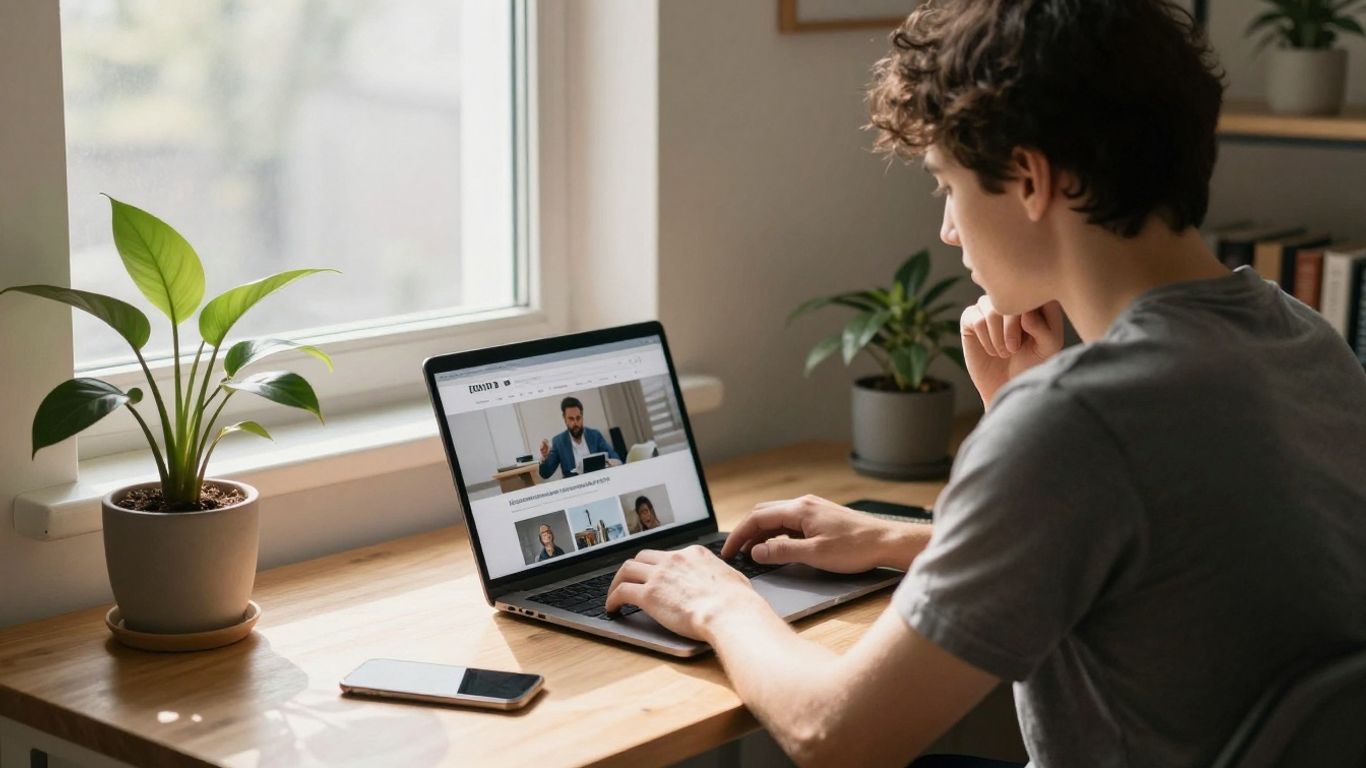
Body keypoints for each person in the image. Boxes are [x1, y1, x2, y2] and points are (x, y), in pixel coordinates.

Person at [604, 1, 1366, 766]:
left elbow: (835, 735)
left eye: (947, 183)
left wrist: (719, 602)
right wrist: (897, 539)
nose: (946, 228)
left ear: (1031, 179)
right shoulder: (1305, 342)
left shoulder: (1076, 421)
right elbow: (1169, 565)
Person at [538, 396, 621, 479]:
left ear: (582, 416)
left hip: (598, 481)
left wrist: (609, 463)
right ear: (565, 419)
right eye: (571, 419)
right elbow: (545, 474)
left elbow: (616, 458)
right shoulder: (559, 442)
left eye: (578, 418)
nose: (575, 423)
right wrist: (545, 457)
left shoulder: (595, 435)